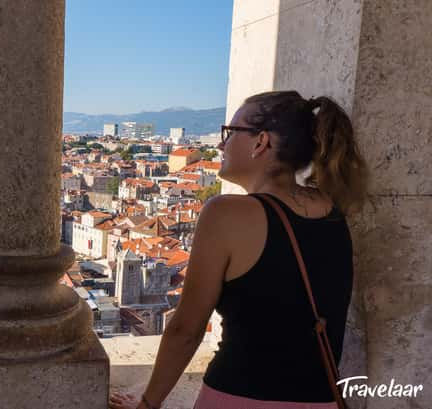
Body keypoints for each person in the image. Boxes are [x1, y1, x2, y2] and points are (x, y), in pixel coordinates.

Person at [109, 90, 369, 409]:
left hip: (238, 397)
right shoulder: (331, 207)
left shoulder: (226, 213)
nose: (221, 144)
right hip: (320, 400)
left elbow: (186, 330)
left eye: (230, 133)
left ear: (260, 142)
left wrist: (148, 402)